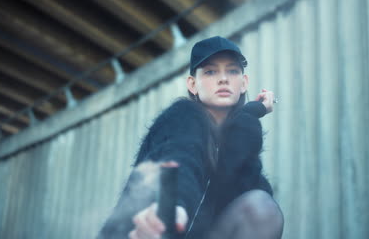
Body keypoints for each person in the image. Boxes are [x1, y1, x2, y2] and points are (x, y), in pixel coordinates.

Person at [98, 36, 284, 239]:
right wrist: (175, 206)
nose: (223, 79)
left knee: (260, 207)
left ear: (243, 83)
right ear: (192, 84)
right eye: (211, 72)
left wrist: (248, 115)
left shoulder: (238, 131)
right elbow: (180, 158)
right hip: (152, 231)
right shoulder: (184, 116)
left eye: (232, 71)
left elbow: (244, 191)